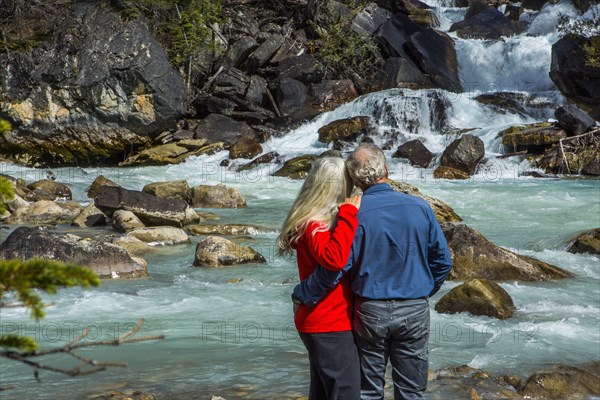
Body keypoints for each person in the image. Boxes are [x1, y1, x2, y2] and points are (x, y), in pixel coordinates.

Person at [292, 143, 453, 400]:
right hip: (414, 307)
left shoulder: (352, 214)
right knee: (411, 390)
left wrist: (304, 292)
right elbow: (443, 261)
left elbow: (336, 268)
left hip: (370, 310)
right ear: (386, 169)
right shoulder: (420, 207)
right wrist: (421, 291)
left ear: (354, 179)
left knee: (369, 392)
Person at [278, 157, 362, 400]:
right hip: (327, 321)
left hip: (320, 319)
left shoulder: (313, 220)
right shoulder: (314, 223)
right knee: (346, 393)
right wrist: (348, 213)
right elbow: (334, 259)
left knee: (323, 392)